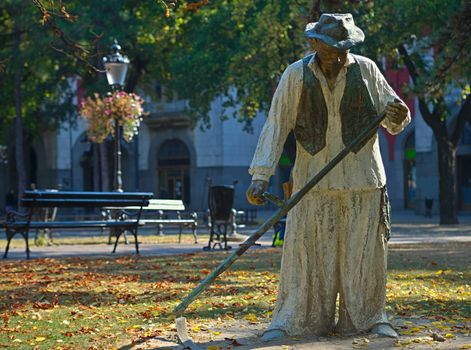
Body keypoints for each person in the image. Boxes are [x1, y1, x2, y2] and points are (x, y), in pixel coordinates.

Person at [246, 13, 410, 341]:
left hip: (363, 179)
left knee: (363, 256)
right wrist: (261, 175)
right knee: (306, 255)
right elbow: (277, 124)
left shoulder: (366, 70)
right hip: (312, 182)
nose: (332, 54)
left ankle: (369, 317)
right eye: (325, 46)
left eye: (339, 48)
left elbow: (393, 116)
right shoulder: (295, 75)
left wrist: (399, 113)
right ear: (315, 43)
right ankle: (295, 319)